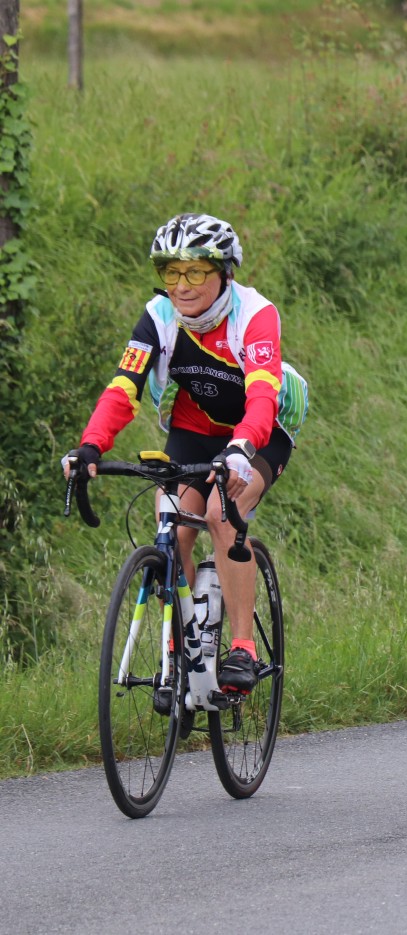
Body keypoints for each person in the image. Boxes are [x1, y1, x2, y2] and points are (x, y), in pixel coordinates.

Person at [63, 213, 306, 697]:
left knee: (222, 512)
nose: (181, 285)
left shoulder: (255, 314)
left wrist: (242, 448)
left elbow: (261, 395)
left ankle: (242, 647)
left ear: (224, 272)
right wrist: (91, 444)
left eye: (195, 271)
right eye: (171, 272)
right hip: (192, 430)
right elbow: (123, 387)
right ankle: (182, 652)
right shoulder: (158, 316)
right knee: (172, 529)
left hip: (261, 430)